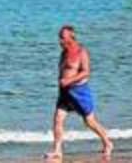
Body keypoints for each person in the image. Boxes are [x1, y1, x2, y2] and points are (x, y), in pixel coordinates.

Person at [47, 25, 113, 160]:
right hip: (65, 92)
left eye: (62, 38)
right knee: (58, 119)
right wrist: (62, 83)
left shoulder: (81, 52)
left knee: (89, 121)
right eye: (59, 37)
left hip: (79, 91)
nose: (60, 41)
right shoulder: (63, 52)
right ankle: (57, 150)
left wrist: (69, 80)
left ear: (71, 37)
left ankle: (107, 142)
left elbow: (86, 72)